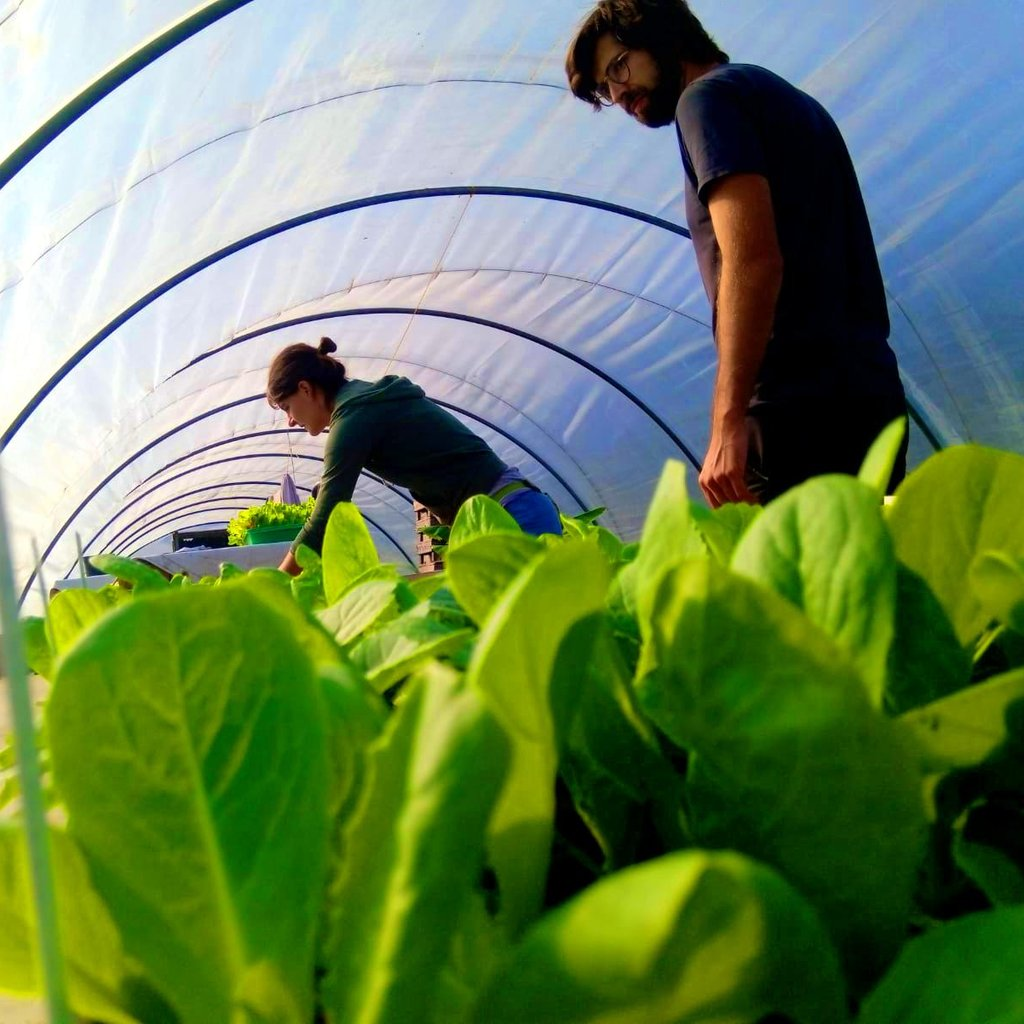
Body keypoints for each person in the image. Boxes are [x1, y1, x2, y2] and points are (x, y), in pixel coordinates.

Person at [566, 0, 908, 507]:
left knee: (786, 584)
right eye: (605, 87)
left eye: (619, 66)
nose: (619, 93)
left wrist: (728, 423)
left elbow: (752, 258)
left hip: (795, 415)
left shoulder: (705, 101)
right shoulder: (783, 98)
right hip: (868, 395)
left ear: (663, 36)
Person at [266, 337, 562, 575]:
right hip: (505, 514)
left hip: (513, 518)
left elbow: (326, 517)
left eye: (286, 408)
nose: (290, 421)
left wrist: (276, 582)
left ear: (305, 388)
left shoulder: (353, 416)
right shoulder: (360, 404)